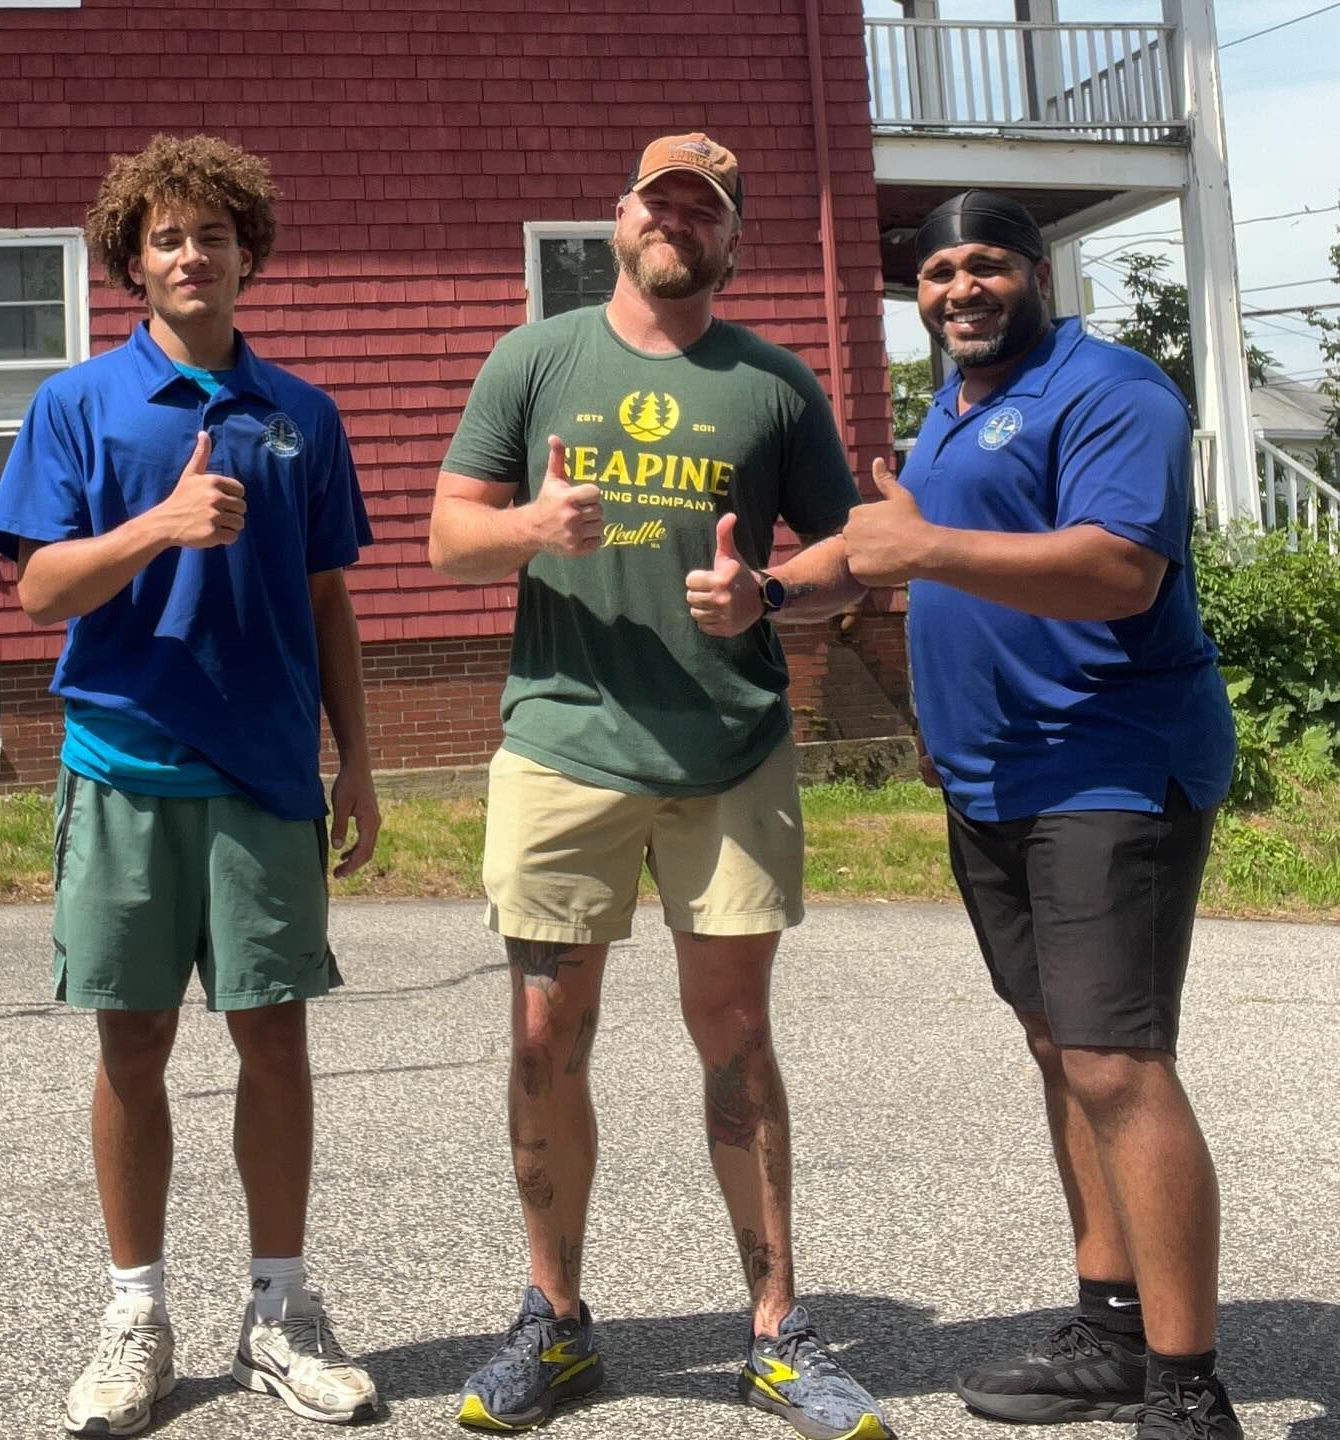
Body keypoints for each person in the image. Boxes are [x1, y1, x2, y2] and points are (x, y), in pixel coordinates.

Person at [428, 133, 894, 1439]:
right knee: (541, 1036)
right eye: (661, 202)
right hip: (564, 743)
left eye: (707, 211)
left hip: (728, 749)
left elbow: (853, 553)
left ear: (730, 239)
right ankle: (554, 1322)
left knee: (734, 1034)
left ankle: (777, 1333)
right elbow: (447, 534)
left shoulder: (775, 384)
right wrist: (530, 528)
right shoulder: (535, 358)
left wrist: (775, 593)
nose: (679, 225)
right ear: (621, 215)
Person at [0, 133, 379, 1437]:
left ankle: (281, 1310)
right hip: (124, 760)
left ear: (247, 253)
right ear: (130, 262)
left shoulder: (301, 417)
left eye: (214, 232)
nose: (192, 253)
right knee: (133, 1041)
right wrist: (159, 525)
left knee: (274, 1036)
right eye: (166, 236)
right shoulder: (77, 407)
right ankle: (134, 1314)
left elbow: (329, 598)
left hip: (268, 771)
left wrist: (359, 759)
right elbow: (39, 586)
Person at [842, 190, 1240, 1440]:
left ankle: (1186, 1391)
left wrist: (920, 553)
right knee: (1061, 1050)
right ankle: (1112, 1330)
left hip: (1107, 768)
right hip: (994, 779)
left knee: (1120, 1063)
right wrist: (760, 587)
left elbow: (1119, 570)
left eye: (986, 265)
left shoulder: (1110, 388)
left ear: (1037, 270)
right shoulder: (949, 415)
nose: (960, 287)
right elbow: (889, 545)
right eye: (939, 270)